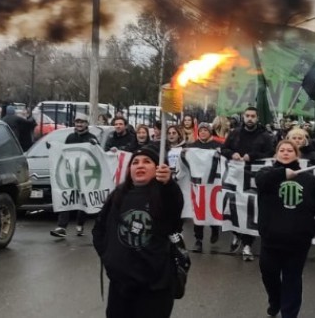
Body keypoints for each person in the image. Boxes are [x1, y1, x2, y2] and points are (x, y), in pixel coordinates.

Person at [92, 147, 184, 318]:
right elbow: (99, 229)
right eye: (135, 162)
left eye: (147, 162)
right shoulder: (118, 195)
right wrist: (108, 257)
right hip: (120, 285)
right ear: (129, 170)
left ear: (157, 168)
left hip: (154, 287)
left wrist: (169, 184)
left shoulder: (164, 194)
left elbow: (174, 212)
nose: (140, 165)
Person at [256, 140, 315, 318]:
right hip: (271, 239)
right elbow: (261, 181)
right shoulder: (266, 173)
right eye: (281, 150)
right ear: (276, 154)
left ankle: (289, 313)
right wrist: (283, 174)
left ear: (296, 155)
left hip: (298, 240)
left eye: (290, 150)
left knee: (292, 279)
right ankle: (275, 301)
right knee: (269, 275)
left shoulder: (310, 180)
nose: (285, 153)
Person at [221, 106, 274, 261]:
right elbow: (224, 149)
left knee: (251, 209)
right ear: (243, 117)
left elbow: (270, 153)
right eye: (247, 115)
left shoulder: (265, 136)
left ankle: (247, 244)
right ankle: (236, 234)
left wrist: (252, 156)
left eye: (253, 116)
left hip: (254, 179)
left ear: (257, 118)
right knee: (235, 207)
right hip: (235, 178)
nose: (250, 118)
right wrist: (232, 154)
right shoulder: (234, 133)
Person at [51, 113, 98, 238]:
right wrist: (52, 148)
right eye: (77, 122)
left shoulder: (92, 138)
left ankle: (80, 223)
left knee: (83, 201)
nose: (79, 124)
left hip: (86, 175)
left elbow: (98, 156)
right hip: (71, 174)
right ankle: (62, 227)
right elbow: (64, 153)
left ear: (86, 124)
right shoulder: (70, 137)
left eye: (82, 122)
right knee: (66, 197)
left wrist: (95, 146)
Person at [187, 123, 222, 252]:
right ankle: (198, 240)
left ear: (210, 132)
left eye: (205, 130)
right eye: (200, 130)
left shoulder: (218, 146)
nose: (202, 132)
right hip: (198, 184)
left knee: (212, 207)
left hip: (213, 184)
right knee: (199, 211)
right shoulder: (192, 146)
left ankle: (214, 229)